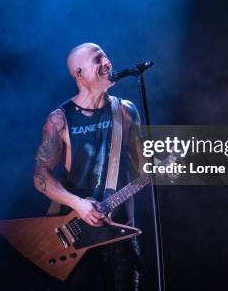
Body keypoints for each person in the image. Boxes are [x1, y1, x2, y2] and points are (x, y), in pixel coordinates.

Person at [33, 42, 145, 291]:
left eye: (106, 56)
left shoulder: (126, 111)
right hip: (75, 233)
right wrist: (78, 204)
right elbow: (40, 176)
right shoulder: (59, 119)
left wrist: (168, 165)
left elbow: (143, 167)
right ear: (79, 73)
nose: (107, 63)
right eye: (98, 59)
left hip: (120, 231)